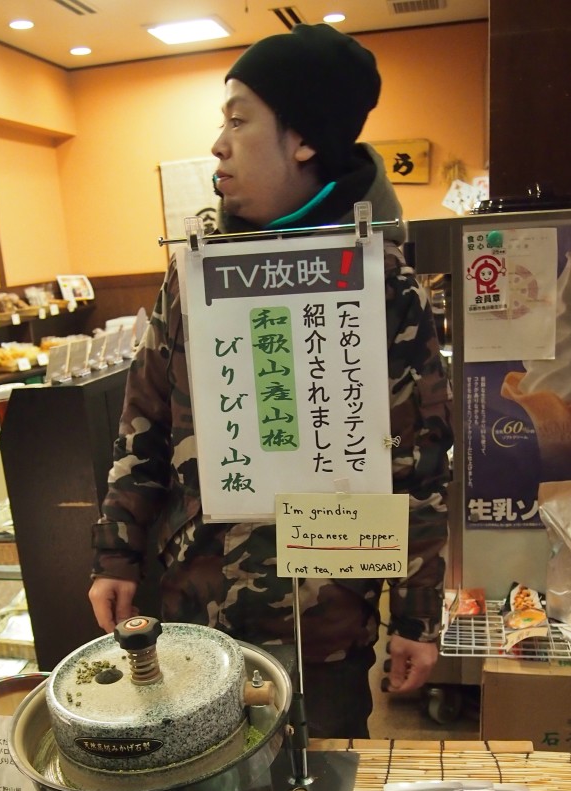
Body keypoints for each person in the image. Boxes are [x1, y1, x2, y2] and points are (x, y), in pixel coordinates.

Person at [88, 24, 453, 738]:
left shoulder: (381, 285)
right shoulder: (194, 276)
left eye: (238, 118)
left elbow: (421, 464)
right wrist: (115, 552)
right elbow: (143, 428)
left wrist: (416, 616)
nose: (218, 143)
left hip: (327, 630)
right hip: (192, 623)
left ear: (305, 139)